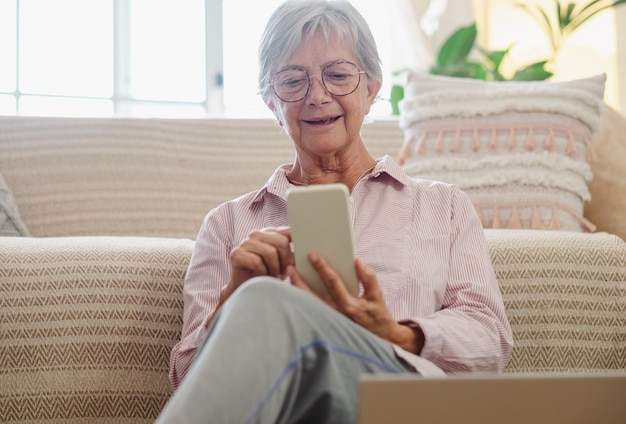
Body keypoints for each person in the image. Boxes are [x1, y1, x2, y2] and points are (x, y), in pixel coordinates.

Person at [156, 0, 513, 422]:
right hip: (289, 408)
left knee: (266, 300)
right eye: (293, 81)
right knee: (259, 299)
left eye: (339, 75)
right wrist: (232, 302)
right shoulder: (227, 225)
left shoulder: (442, 205)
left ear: (371, 88)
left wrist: (395, 333)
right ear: (272, 103)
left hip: (398, 403)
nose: (317, 96)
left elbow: (491, 342)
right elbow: (193, 382)